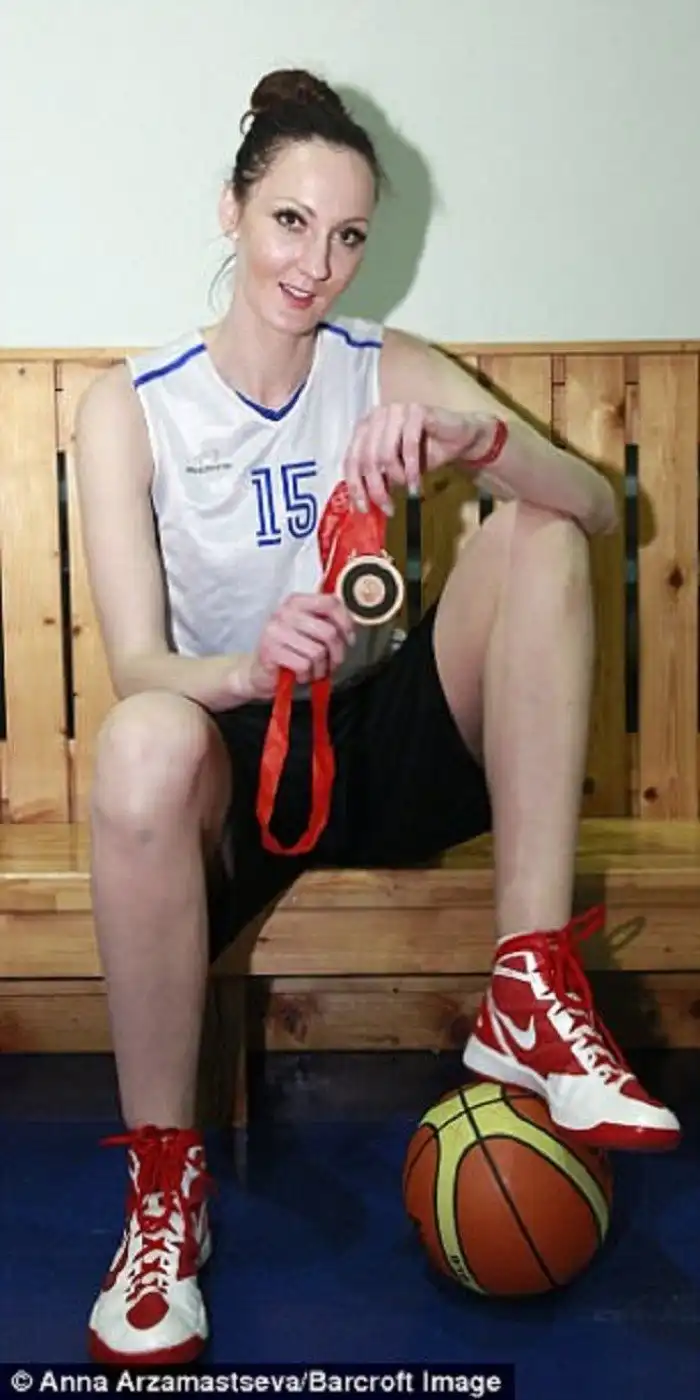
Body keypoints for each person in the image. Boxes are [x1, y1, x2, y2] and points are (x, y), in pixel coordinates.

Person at [74, 67, 680, 1367]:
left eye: (347, 235)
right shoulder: (132, 407)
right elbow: (135, 666)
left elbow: (594, 506)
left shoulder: (385, 367)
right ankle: (164, 1194)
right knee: (139, 743)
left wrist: (479, 447)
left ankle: (528, 986)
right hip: (239, 759)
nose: (317, 265)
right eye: (291, 222)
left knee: (536, 534)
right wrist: (246, 669)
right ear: (232, 210)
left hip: (390, 740)